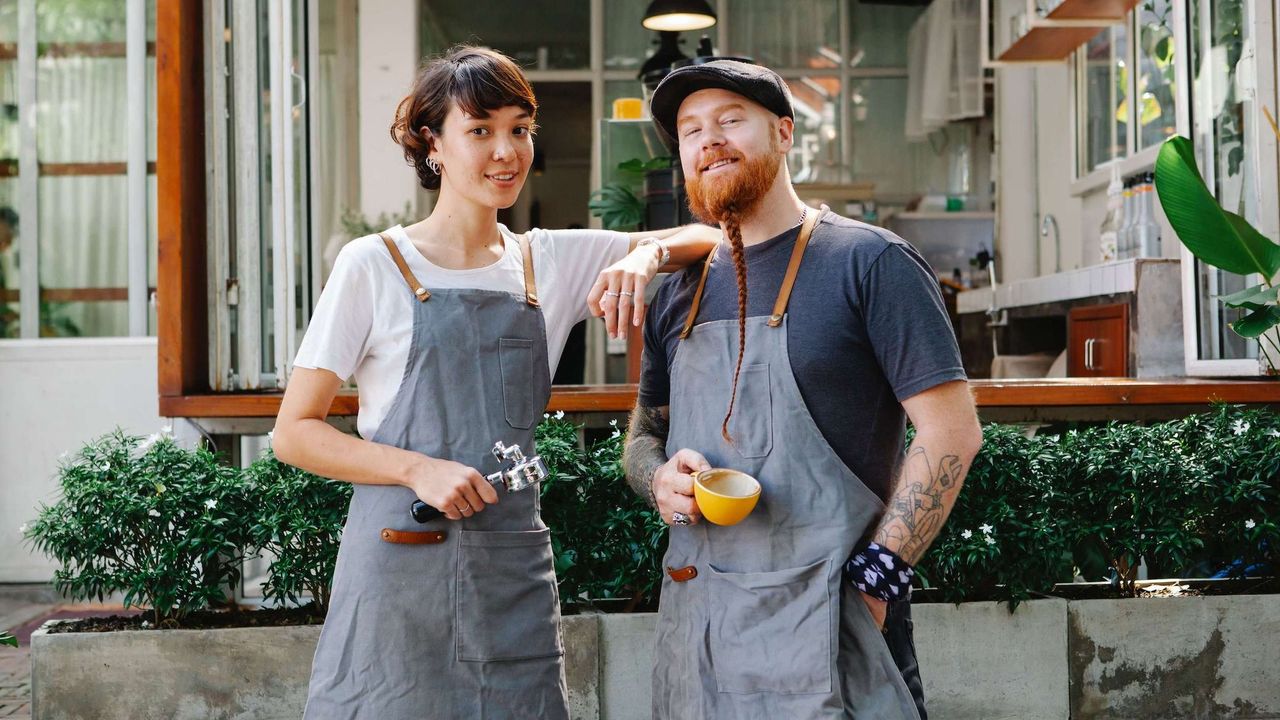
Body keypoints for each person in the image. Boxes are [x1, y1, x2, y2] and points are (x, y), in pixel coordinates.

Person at [272, 46, 720, 720]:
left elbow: (707, 238)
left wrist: (645, 255)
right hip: (399, 563)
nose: (505, 151)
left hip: (510, 568)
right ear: (434, 145)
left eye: (519, 129)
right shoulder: (375, 265)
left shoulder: (545, 261)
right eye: (480, 130)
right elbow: (294, 433)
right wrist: (417, 468)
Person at [622, 59, 984, 719]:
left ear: (785, 134)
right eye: (691, 129)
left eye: (733, 120)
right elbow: (643, 438)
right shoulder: (676, 293)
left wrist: (880, 578)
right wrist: (658, 482)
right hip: (700, 629)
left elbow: (952, 431)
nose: (710, 140)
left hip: (831, 626)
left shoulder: (870, 262)